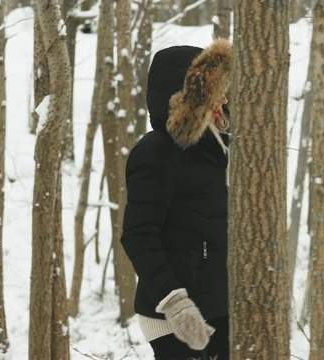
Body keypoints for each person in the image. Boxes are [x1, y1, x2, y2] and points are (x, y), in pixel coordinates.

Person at [121, 38, 232, 360]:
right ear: (190, 100)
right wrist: (175, 302)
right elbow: (138, 235)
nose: (223, 99)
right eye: (214, 92)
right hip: (174, 314)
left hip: (215, 306)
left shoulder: (214, 149)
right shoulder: (155, 154)